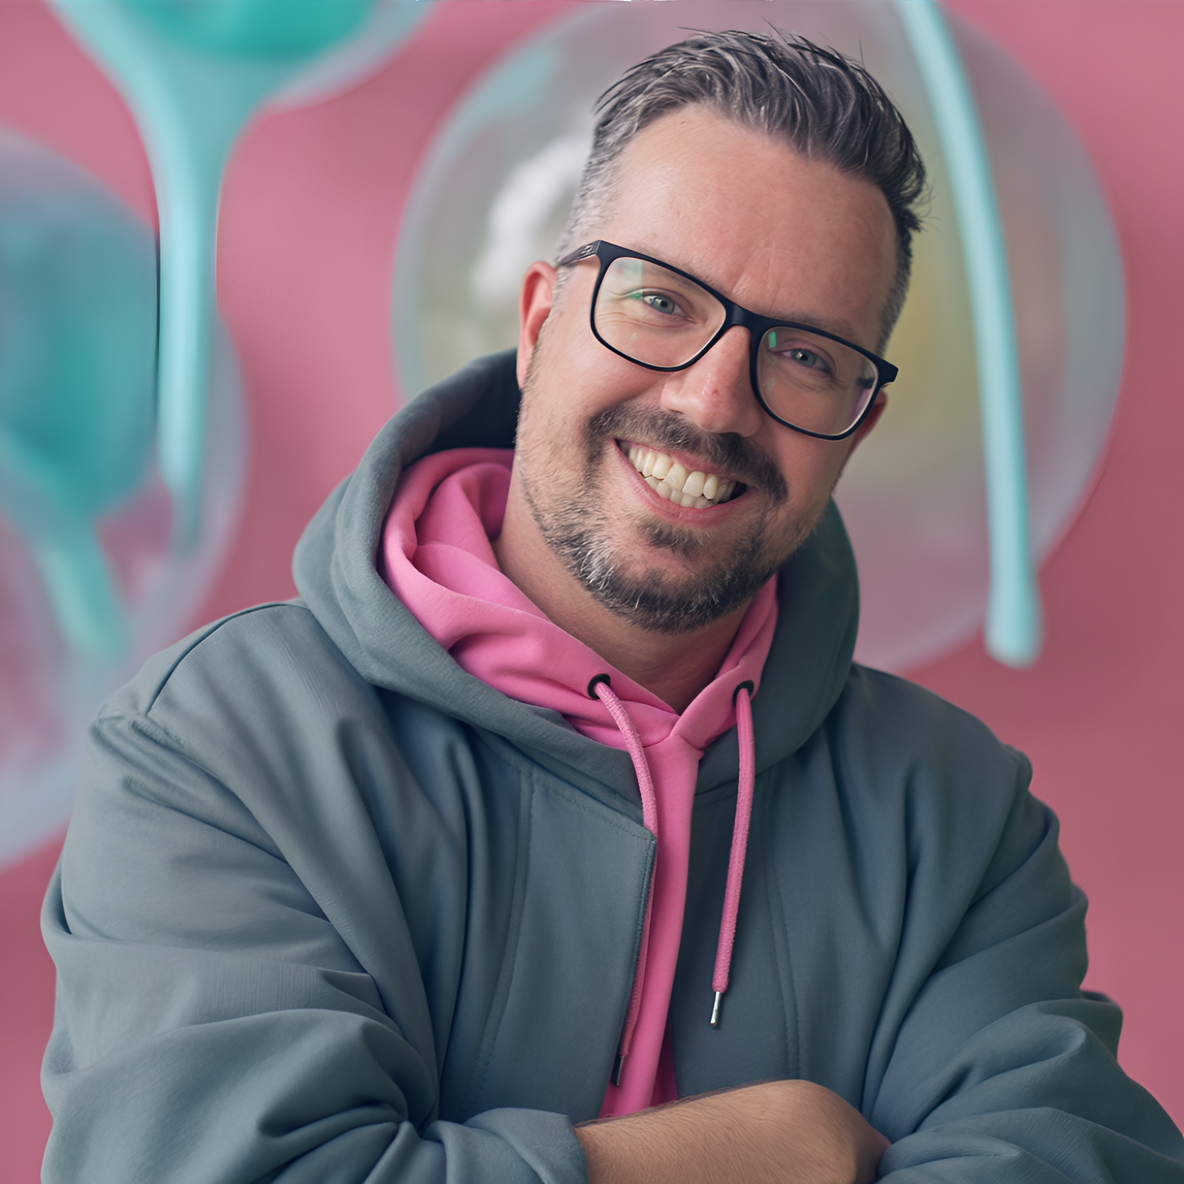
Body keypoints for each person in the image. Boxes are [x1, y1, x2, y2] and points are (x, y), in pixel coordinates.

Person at [41, 31, 1184, 1184]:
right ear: (537, 321)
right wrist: (760, 1148)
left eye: (803, 355)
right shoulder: (214, 749)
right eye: (658, 300)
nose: (710, 400)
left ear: (857, 422)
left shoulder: (955, 817)